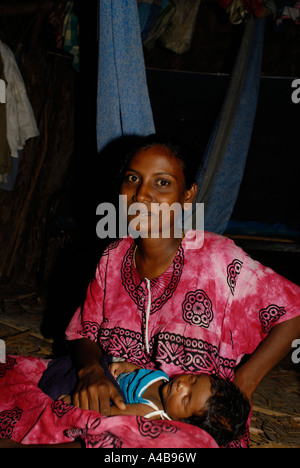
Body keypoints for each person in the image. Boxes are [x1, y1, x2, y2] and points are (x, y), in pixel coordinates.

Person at [61, 134, 300, 447]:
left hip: (193, 424)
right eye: (133, 179)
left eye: (162, 183)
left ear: (187, 196)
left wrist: (243, 384)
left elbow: (293, 311)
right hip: (119, 390)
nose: (142, 195)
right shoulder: (113, 257)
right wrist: (91, 370)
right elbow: (85, 331)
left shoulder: (218, 260)